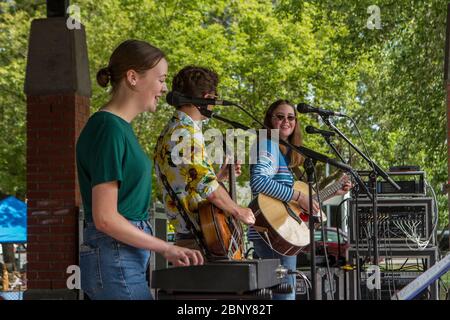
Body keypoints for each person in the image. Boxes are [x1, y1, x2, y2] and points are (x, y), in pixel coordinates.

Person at [76, 40, 203, 300]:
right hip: (115, 255)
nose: (164, 88)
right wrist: (165, 248)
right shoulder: (108, 129)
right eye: (161, 79)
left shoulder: (119, 128)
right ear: (133, 77)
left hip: (122, 255)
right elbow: (105, 218)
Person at [249, 99, 352, 300]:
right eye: (280, 116)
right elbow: (259, 182)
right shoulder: (267, 144)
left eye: (291, 117)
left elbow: (294, 206)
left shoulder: (286, 154)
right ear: (270, 120)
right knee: (284, 296)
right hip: (272, 234)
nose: (286, 121)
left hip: (281, 232)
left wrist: (333, 192)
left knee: (282, 295)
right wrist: (298, 195)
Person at [154, 66, 255, 252]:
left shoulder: (173, 129)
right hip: (197, 241)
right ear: (207, 98)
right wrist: (238, 210)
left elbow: (190, 183)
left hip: (191, 236)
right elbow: (209, 189)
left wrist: (219, 176)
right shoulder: (186, 134)